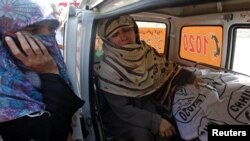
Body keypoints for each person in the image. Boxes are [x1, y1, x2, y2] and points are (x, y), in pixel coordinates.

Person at [96, 15, 200, 141]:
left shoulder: (146, 51)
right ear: (108, 41)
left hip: (145, 105)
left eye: (126, 30)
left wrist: (188, 77)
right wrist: (156, 122)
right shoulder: (108, 69)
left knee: (167, 133)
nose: (123, 37)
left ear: (135, 31)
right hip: (119, 116)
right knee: (142, 135)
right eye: (115, 34)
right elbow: (122, 110)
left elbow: (165, 69)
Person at [0, 0, 84, 141]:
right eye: (33, 30)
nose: (48, 36)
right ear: (5, 35)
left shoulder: (50, 62)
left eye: (51, 29)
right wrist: (49, 74)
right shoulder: (5, 91)